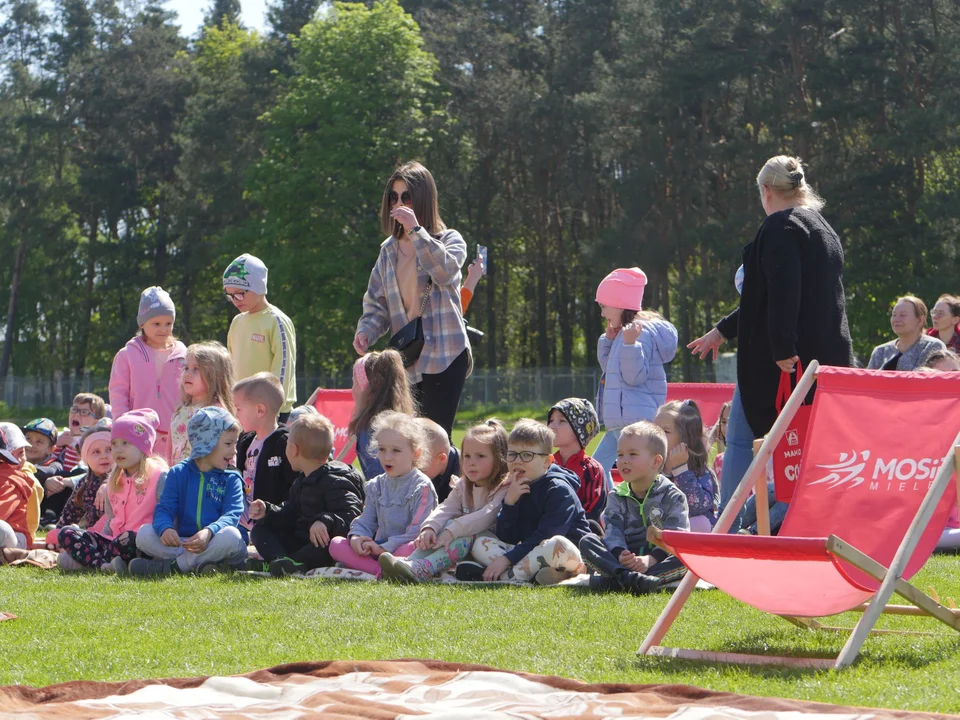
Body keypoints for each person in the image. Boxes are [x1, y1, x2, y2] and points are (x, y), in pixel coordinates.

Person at [688, 156, 854, 530]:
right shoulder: (822, 227)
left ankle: (726, 530)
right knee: (814, 448)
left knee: (741, 441)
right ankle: (813, 521)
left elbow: (781, 292)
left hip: (782, 362)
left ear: (765, 191)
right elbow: (772, 299)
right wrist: (723, 330)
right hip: (825, 358)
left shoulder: (780, 226)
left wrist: (781, 347)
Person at [354, 161, 471, 437]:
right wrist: (365, 331)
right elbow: (376, 303)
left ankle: (445, 482)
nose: (398, 204)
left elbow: (444, 272)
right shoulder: (388, 251)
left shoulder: (449, 239)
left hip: (446, 355)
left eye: (405, 197)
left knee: (437, 438)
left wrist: (417, 231)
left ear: (422, 199)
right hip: (408, 360)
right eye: (393, 197)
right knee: (411, 441)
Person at [457, 419, 591, 586]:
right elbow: (508, 538)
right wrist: (510, 503)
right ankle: (536, 575)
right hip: (534, 554)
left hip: (571, 556)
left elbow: (546, 535)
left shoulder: (559, 490)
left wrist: (507, 558)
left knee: (556, 543)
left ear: (547, 461)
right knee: (481, 543)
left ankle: (503, 578)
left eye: (527, 455)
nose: (517, 461)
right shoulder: (516, 486)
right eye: (512, 454)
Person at [379, 419, 509, 583]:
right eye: (467, 456)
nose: (471, 462)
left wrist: (453, 530)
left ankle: (425, 568)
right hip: (468, 546)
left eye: (480, 456)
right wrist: (429, 528)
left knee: (462, 532)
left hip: (496, 548)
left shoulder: (504, 487)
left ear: (499, 459)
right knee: (445, 525)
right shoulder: (463, 485)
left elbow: (487, 515)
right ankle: (409, 563)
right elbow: (446, 508)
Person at [131, 406, 246, 576]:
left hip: (215, 541)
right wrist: (165, 529)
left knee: (232, 536)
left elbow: (232, 515)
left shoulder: (231, 478)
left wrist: (209, 532)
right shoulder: (178, 473)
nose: (234, 450)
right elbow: (164, 508)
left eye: (235, 444)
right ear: (207, 443)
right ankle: (202, 564)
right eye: (228, 444)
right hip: (184, 543)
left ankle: (173, 567)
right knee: (143, 534)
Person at [593, 267, 679, 491]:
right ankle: (612, 505)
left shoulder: (640, 334)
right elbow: (611, 373)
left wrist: (630, 344)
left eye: (604, 306)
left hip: (635, 422)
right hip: (621, 422)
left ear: (620, 304)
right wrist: (608, 343)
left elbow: (633, 377)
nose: (602, 313)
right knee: (597, 467)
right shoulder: (624, 333)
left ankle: (651, 503)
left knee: (639, 472)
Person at [579, 421, 690, 593]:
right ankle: (629, 578)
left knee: (686, 556)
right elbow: (613, 532)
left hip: (657, 559)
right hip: (625, 559)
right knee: (588, 541)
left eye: (632, 454)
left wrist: (650, 560)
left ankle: (620, 580)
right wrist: (621, 554)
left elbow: (676, 535)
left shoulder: (672, 495)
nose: (623, 461)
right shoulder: (616, 495)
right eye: (620, 455)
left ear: (656, 461)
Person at [248, 414, 365, 576]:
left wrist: (324, 521)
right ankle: (282, 561)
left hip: (321, 544)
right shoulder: (301, 480)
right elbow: (291, 512)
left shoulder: (337, 479)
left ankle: (288, 563)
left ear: (294, 450)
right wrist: (268, 510)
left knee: (324, 547)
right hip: (300, 539)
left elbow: (352, 514)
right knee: (260, 529)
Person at [328, 411, 438, 578]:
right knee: (336, 544)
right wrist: (357, 538)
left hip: (404, 549)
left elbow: (417, 532)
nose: (387, 457)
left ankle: (381, 566)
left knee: (415, 546)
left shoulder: (422, 487)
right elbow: (366, 520)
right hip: (378, 549)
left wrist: (385, 548)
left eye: (396, 451)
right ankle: (380, 571)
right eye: (382, 449)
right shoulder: (376, 486)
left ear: (416, 453)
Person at [56, 410, 167, 573]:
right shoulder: (114, 480)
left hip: (139, 543)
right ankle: (104, 566)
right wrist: (97, 540)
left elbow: (168, 514)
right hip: (112, 541)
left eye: (125, 443)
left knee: (129, 538)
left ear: (143, 446)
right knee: (67, 533)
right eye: (114, 444)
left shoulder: (159, 476)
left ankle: (89, 560)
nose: (118, 450)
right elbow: (111, 519)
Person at [108, 286, 187, 464]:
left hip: (177, 433)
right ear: (142, 323)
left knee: (173, 483)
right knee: (143, 483)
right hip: (139, 435)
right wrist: (122, 426)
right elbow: (118, 392)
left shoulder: (183, 354)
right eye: (156, 324)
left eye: (168, 323)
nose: (163, 329)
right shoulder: (127, 354)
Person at [223, 253, 297, 420]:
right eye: (230, 295)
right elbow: (230, 368)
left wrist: (273, 409)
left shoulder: (276, 321)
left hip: (271, 413)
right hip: (241, 411)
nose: (235, 300)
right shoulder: (237, 322)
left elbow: (283, 369)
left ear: (259, 287)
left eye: (240, 293)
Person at [233, 372, 298, 540]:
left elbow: (294, 489)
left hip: (272, 523)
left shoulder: (285, 443)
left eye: (239, 409)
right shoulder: (245, 441)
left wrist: (271, 512)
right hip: (243, 521)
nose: (236, 414)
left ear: (260, 410)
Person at [348, 350, 416, 480]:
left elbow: (379, 479)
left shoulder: (370, 431)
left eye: (355, 383)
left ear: (366, 388)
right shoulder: (406, 423)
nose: (352, 389)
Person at [46, 420, 115, 543]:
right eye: (96, 452)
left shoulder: (122, 478)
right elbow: (71, 512)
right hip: (92, 536)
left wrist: (108, 485)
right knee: (56, 535)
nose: (104, 456)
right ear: (85, 458)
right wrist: (60, 530)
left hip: (116, 534)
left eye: (109, 449)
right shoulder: (85, 483)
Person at [653, 400, 718, 532]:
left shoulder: (701, 472)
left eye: (665, 431)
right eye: (654, 430)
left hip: (687, 527)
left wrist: (681, 471)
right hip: (659, 525)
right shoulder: (652, 466)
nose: (657, 436)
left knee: (701, 523)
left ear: (686, 439)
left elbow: (699, 507)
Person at [43, 393, 106, 523]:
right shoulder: (62, 437)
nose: (77, 414)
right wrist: (56, 445)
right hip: (56, 480)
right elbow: (45, 462)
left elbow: (88, 468)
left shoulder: (96, 441)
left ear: (96, 420)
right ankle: (48, 514)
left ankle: (56, 516)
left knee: (79, 474)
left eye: (84, 412)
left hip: (75, 483)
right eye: (74, 410)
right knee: (51, 472)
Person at [170, 342, 236, 465]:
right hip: (178, 480)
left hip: (204, 481)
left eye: (196, 369)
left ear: (214, 376)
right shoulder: (180, 410)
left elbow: (228, 454)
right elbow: (170, 450)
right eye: (186, 368)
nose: (188, 373)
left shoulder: (218, 414)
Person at [547, 399, 605, 526]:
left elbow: (592, 510)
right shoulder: (546, 463)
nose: (551, 426)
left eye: (562, 421)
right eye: (551, 420)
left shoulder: (591, 469)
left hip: (578, 531)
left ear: (580, 430)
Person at [868, 296, 946, 371]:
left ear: (920, 320)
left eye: (903, 315)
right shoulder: (880, 352)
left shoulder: (933, 347)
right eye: (894, 315)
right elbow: (867, 382)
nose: (896, 319)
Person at [0, 426, 37, 560]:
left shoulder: (9, 479)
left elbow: (1, 512)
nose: (20, 459)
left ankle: (7, 554)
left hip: (16, 538)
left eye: (21, 452)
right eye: (14, 454)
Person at [416, 417, 460, 503]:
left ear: (441, 459)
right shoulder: (434, 466)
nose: (412, 472)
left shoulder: (468, 474)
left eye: (419, 468)